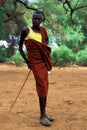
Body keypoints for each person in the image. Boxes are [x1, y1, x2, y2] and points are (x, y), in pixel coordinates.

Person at [19, 11, 54, 126]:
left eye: (38, 19)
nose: (36, 21)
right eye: (34, 18)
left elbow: (46, 42)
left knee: (45, 85)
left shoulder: (43, 31)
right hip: (35, 63)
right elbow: (19, 47)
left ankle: (44, 113)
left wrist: (44, 51)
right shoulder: (26, 30)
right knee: (42, 86)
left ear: (41, 20)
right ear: (32, 19)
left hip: (43, 62)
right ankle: (42, 116)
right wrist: (27, 61)